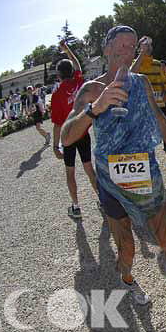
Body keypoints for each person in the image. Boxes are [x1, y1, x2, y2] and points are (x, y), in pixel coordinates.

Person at [60, 25, 166, 309]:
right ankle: (128, 281)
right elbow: (66, 137)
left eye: (132, 45)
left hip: (143, 171)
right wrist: (95, 108)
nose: (127, 49)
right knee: (126, 247)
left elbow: (160, 119)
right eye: (120, 44)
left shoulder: (141, 82)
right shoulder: (91, 90)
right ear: (106, 49)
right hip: (110, 180)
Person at [51, 41, 99, 218]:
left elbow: (57, 124)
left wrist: (55, 146)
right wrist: (67, 50)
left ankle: (76, 206)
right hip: (83, 132)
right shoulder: (80, 83)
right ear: (71, 72)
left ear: (58, 75)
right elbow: (78, 64)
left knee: (70, 172)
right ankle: (101, 199)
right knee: (89, 168)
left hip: (68, 136)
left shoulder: (56, 95)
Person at [130, 38, 166, 184]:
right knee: (144, 143)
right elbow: (129, 75)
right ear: (139, 47)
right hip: (142, 111)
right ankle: (147, 174)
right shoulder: (135, 64)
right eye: (144, 43)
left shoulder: (158, 64)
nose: (148, 46)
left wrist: (165, 91)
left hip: (160, 107)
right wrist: (141, 54)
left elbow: (163, 82)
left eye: (150, 44)